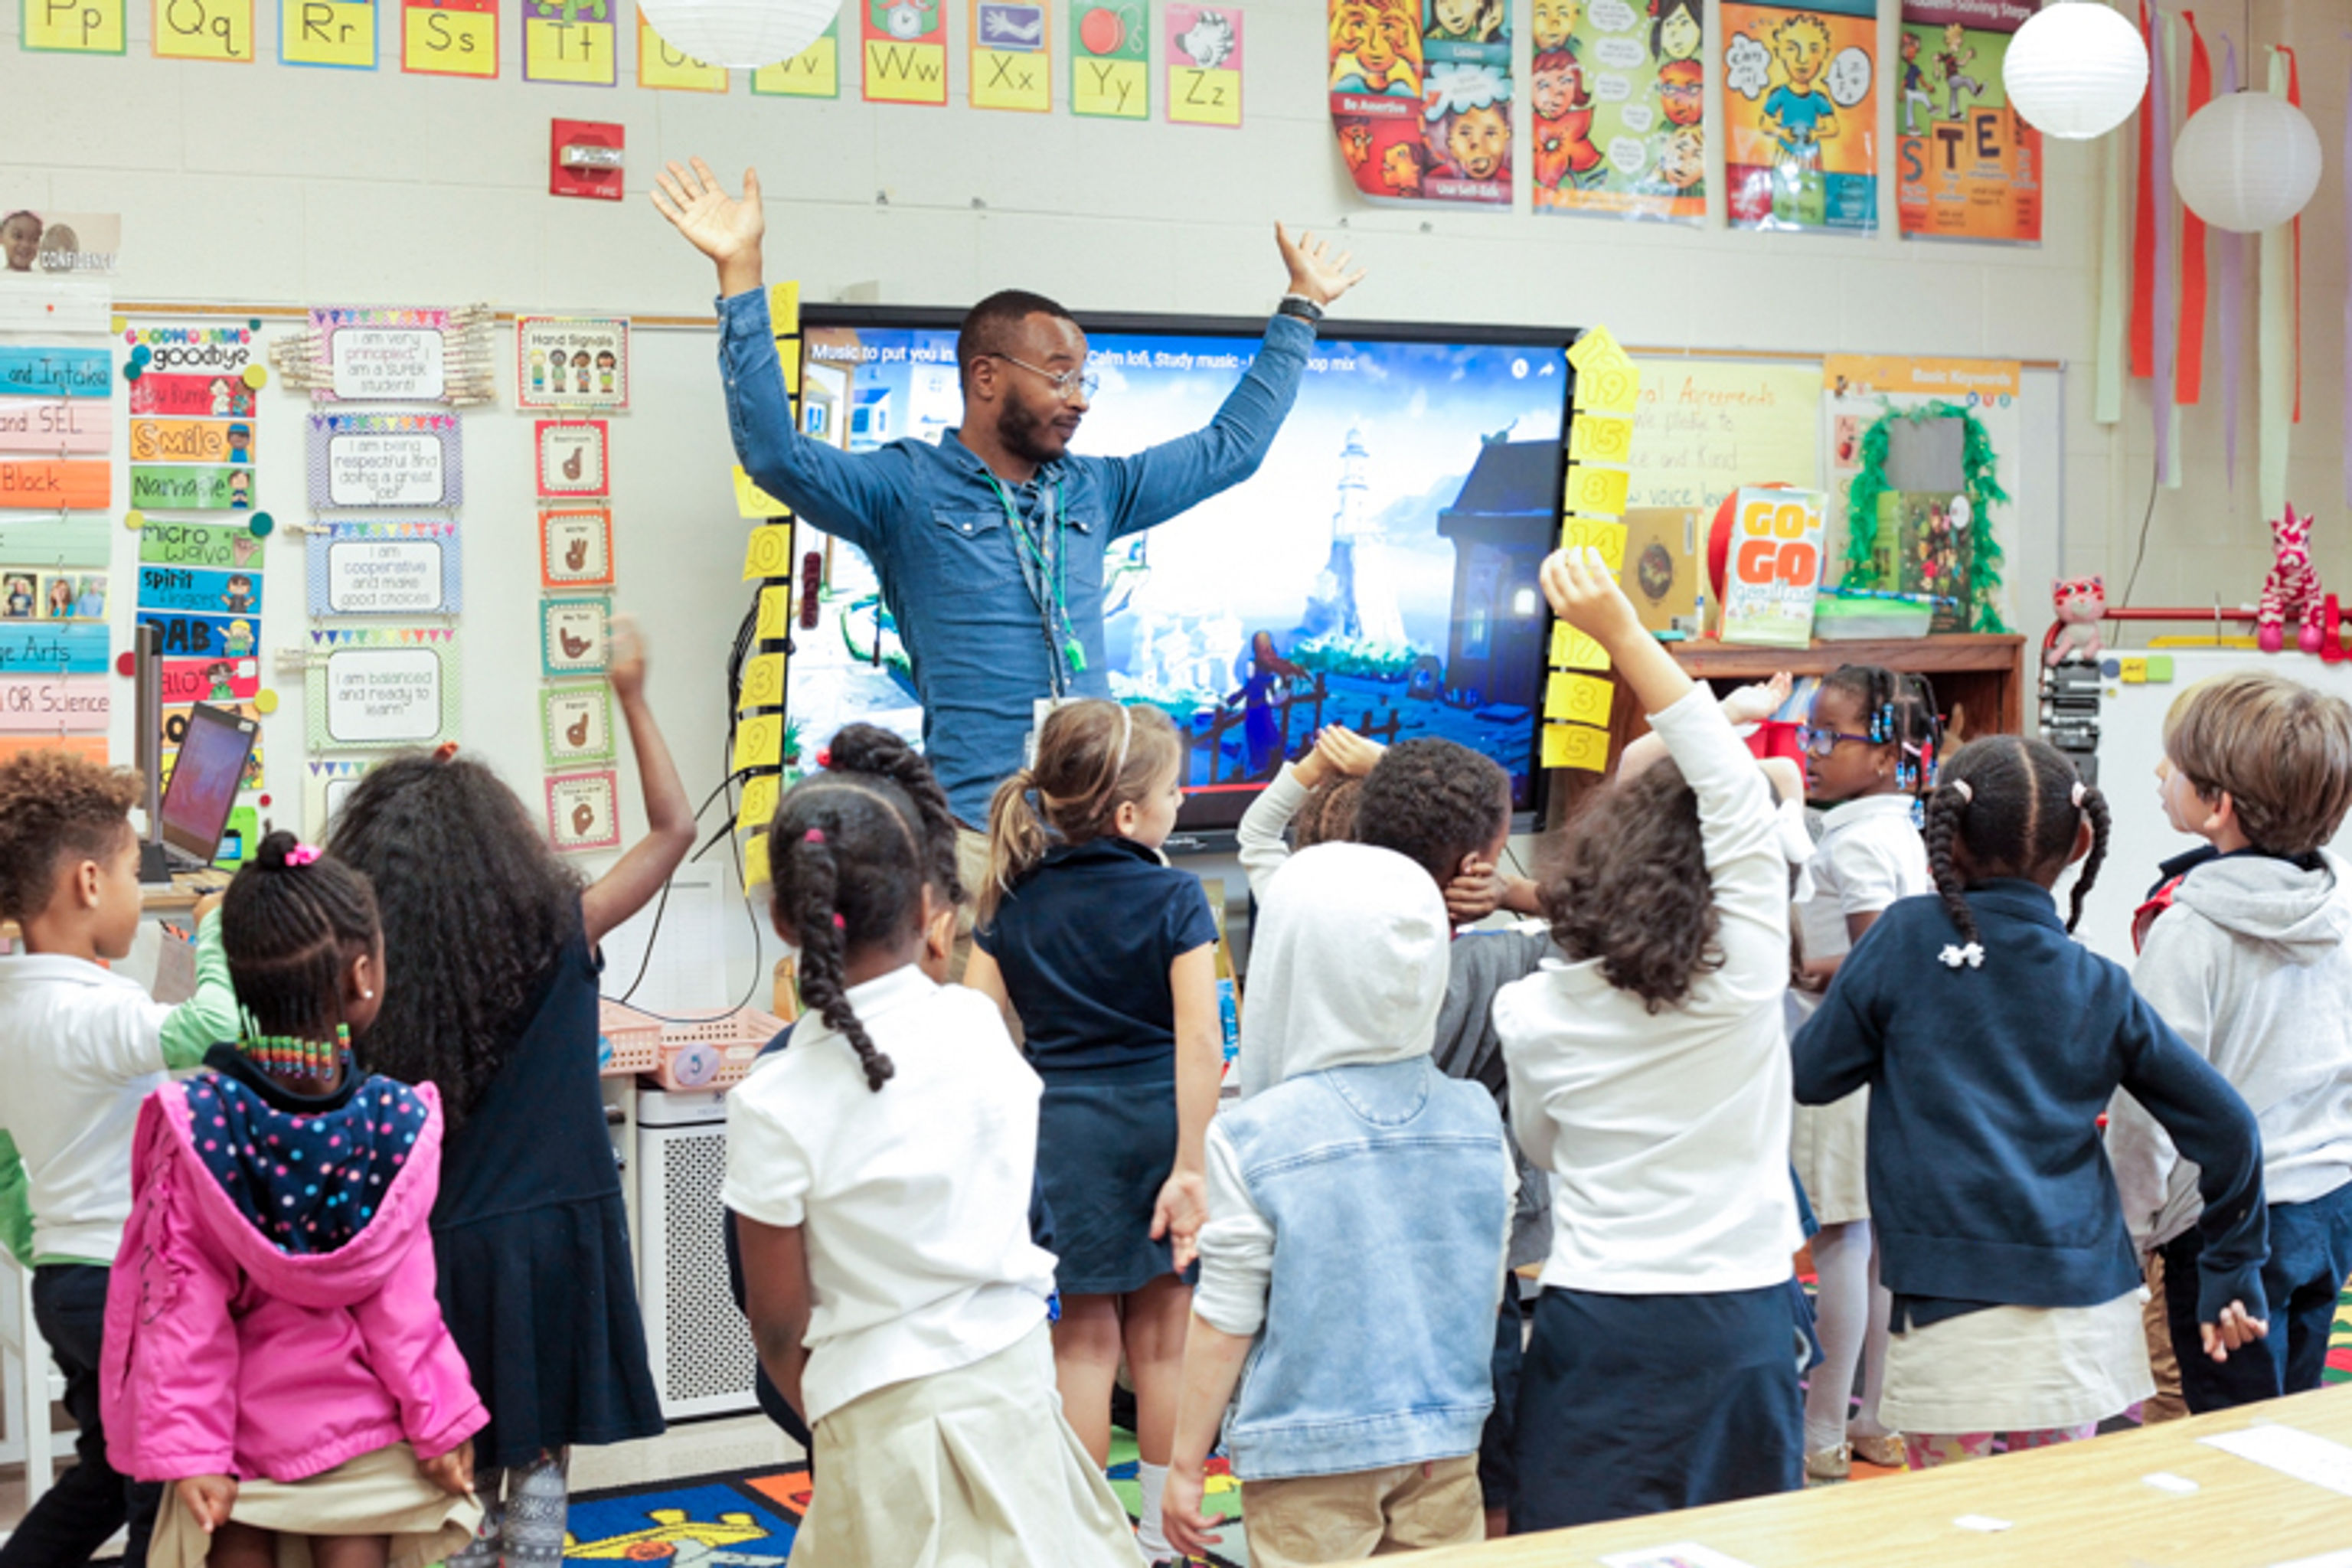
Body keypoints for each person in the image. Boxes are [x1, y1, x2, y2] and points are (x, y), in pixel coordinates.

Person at [651, 155, 1366, 844]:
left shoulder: (1096, 489)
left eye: (1085, 380)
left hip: (1098, 838)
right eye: (1059, 376)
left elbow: (1230, 449)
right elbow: (776, 455)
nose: (1079, 400)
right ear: (986, 377)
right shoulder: (902, 489)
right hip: (979, 842)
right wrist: (740, 274)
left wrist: (1300, 310)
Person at [1795, 736, 2272, 1468]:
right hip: (2086, 1314)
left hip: (1951, 1315)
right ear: (2081, 843)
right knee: (2057, 1530)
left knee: (1961, 1531)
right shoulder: (2100, 982)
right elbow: (2229, 1128)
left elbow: (1813, 1076)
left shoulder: (1902, 942)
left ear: (1941, 838)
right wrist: (2233, 1264)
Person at [326, 619, 692, 1568]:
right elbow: (674, 830)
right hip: (558, 1235)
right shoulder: (564, 927)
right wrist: (631, 697)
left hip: (435, 1250)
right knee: (537, 1464)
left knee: (447, 1466)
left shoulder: (373, 974)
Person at [724, 749, 1141, 1566]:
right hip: (1015, 1381)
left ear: (784, 919)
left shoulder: (772, 1097)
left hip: (874, 1408)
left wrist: (840, 1412)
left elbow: (777, 1321)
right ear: (930, 907)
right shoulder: (975, 1026)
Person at [1497, 546, 1807, 1530]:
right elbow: (1730, 799)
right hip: (1741, 1314)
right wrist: (1627, 636)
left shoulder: (1534, 1007)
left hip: (1601, 1318)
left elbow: (1545, 1146)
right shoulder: (1748, 970)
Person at [102, 834, 486, 1568]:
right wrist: (440, 1422)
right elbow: (404, 1311)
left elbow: (182, 1309)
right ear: (364, 975)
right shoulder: (394, 1124)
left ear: (239, 987)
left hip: (238, 1444)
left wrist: (194, 1451)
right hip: (361, 1441)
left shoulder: (200, 1125)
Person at [1161, 843, 1513, 1566]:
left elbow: (1227, 1315)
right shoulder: (1478, 1117)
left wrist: (1187, 1464)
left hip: (1303, 1456)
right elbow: (1483, 1283)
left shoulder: (1252, 1136)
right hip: (1443, 1444)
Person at [962, 700, 1220, 1565]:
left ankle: (1078, 1539)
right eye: (1175, 791)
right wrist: (1192, 1161)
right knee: (1162, 1337)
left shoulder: (1011, 895)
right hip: (1158, 1127)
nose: (1183, 802)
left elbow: (973, 1026)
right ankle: (1156, 1536)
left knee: (1080, 1338)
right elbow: (1199, 1039)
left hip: (1057, 1131)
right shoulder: (1178, 894)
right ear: (1127, 813)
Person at [0, 750, 237, 1568]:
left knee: (104, 1467)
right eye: (139, 871)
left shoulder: (11, 1002)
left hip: (65, 1281)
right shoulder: (94, 1009)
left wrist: (38, 1240)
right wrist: (214, 937)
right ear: (92, 882)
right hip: (124, 1287)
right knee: (158, 1485)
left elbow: (2, 1157)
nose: (144, 894)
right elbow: (208, 1028)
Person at [2108, 674, 2352, 1414]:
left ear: (2216, 806)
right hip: (2329, 1202)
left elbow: (2148, 1101)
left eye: (2173, 765)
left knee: (2231, 1429)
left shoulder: (2190, 931)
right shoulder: (2336, 906)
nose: (2160, 774)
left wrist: (2131, 1228)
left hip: (2229, 1226)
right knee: (2297, 1412)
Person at [1786, 665, 1938, 1481]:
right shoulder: (1900, 827)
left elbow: (1879, 959)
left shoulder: (1855, 836)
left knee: (1840, 1238)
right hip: (1889, 1066)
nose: (1809, 750)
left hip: (1842, 1059)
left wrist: (1811, 969)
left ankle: (1819, 1429)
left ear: (1884, 753)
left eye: (1827, 735)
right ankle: (1875, 1414)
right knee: (1871, 1242)